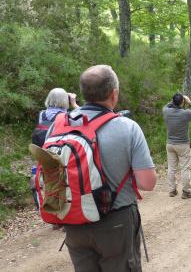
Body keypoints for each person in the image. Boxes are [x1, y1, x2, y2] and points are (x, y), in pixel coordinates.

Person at [59, 65, 157, 271]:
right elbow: (147, 183)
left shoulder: (60, 125)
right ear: (114, 95)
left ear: (83, 94)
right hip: (115, 222)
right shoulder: (127, 127)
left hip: (73, 220)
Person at [162, 93, 191, 199]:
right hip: (183, 144)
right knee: (185, 168)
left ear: (172, 101)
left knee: (171, 168)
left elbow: (168, 105)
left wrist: (174, 100)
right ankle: (186, 191)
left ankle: (172, 190)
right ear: (182, 102)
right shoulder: (185, 113)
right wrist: (189, 102)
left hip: (170, 144)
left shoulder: (166, 111)